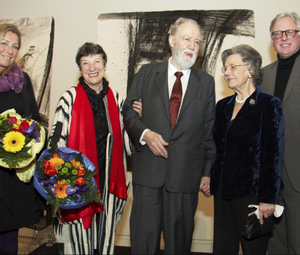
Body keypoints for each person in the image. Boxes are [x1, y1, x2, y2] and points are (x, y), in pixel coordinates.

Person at [123, 17, 216, 254]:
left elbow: (209, 131)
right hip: (148, 175)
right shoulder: (146, 72)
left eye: (197, 41)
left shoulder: (206, 83)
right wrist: (145, 133)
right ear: (172, 40)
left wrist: (207, 172)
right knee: (143, 244)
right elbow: (128, 112)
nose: (192, 46)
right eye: (187, 39)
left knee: (179, 245)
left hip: (185, 177)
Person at [48, 42, 141, 255]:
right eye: (85, 63)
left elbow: (128, 143)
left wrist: (141, 119)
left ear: (105, 65)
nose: (92, 68)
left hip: (109, 184)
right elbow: (56, 142)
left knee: (105, 240)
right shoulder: (69, 99)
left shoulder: (116, 99)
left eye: (97, 61)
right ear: (80, 69)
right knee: (78, 242)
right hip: (78, 185)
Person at [210, 44, 285, 254]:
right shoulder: (222, 106)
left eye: (233, 67)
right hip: (223, 192)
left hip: (252, 197)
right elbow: (216, 149)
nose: (226, 73)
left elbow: (273, 155)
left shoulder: (269, 105)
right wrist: (209, 178)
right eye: (225, 68)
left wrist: (269, 198)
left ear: (250, 70)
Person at [0, 23, 45, 254]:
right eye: (4, 43)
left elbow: (33, 119)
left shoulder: (22, 79)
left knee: (9, 236)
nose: (10, 50)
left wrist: (31, 139)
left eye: (15, 46)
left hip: (13, 174)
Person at [260, 12, 300, 254]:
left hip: (298, 173)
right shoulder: (263, 75)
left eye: (290, 32)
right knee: (274, 244)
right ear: (272, 39)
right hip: (271, 176)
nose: (283, 38)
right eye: (277, 33)